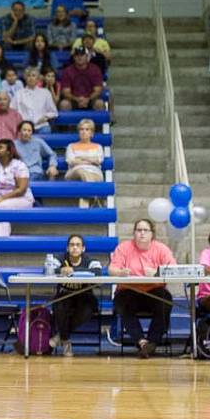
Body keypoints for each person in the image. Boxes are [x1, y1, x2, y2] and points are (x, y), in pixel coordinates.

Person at [108, 220, 177, 359]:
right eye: (139, 230)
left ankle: (152, 342)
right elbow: (111, 269)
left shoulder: (161, 249)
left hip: (154, 291)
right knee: (121, 303)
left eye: (145, 230)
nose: (142, 233)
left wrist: (157, 272)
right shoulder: (124, 248)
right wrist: (120, 273)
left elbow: (174, 269)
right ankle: (142, 342)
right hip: (129, 291)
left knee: (166, 301)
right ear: (134, 233)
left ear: (152, 234)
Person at [48, 235, 100, 357]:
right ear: (67, 248)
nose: (75, 248)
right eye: (72, 245)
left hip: (85, 296)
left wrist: (74, 271)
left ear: (83, 249)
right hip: (65, 295)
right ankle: (66, 341)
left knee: (87, 310)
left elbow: (98, 272)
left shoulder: (90, 261)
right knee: (59, 305)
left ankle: (60, 336)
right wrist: (60, 271)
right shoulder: (60, 259)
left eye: (78, 245)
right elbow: (49, 269)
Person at [64, 119, 104, 207]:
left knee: (85, 180)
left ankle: (85, 205)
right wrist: (90, 160)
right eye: (81, 129)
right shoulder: (71, 146)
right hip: (74, 173)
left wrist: (81, 158)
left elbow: (98, 161)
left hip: (95, 174)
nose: (83, 132)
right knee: (82, 171)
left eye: (87, 129)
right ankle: (94, 196)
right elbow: (71, 161)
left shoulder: (98, 146)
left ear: (92, 133)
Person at [12, 66, 58, 132]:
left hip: (41, 125)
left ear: (38, 79)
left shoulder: (45, 92)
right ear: (25, 78)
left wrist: (45, 117)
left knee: (46, 130)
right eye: (28, 76)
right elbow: (12, 111)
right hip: (24, 126)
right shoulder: (19, 94)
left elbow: (54, 112)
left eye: (33, 76)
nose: (31, 78)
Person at [59, 46, 105, 111]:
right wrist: (77, 99)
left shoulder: (95, 69)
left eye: (82, 55)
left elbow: (98, 90)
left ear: (87, 57)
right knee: (64, 104)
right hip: (73, 100)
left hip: (91, 100)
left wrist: (88, 99)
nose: (79, 57)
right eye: (77, 55)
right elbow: (66, 92)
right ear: (74, 57)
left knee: (99, 103)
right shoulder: (67, 71)